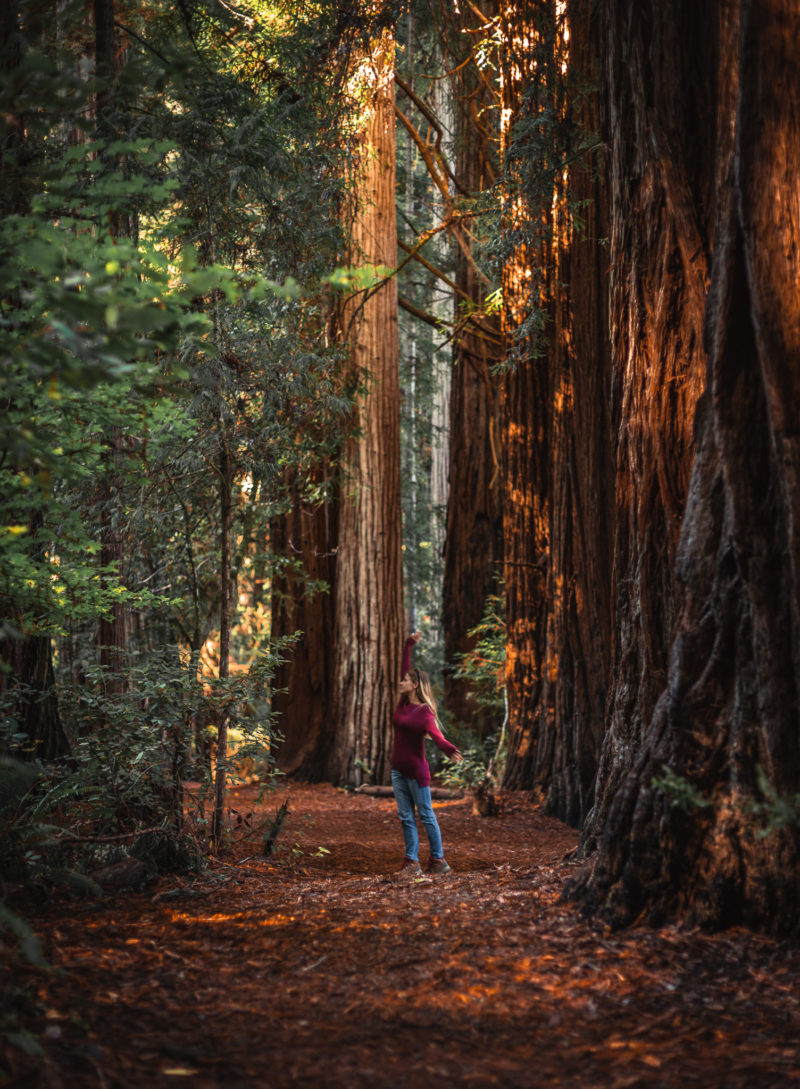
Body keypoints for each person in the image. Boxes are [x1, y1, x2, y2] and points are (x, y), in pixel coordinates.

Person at [391, 631, 462, 877]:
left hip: (416, 772)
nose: (401, 682)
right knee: (405, 816)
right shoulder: (403, 703)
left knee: (426, 815)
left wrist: (448, 748)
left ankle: (438, 860)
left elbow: (435, 734)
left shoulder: (424, 711)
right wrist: (408, 645)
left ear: (415, 685)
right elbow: (405, 666)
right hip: (397, 770)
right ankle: (411, 862)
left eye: (405, 680)